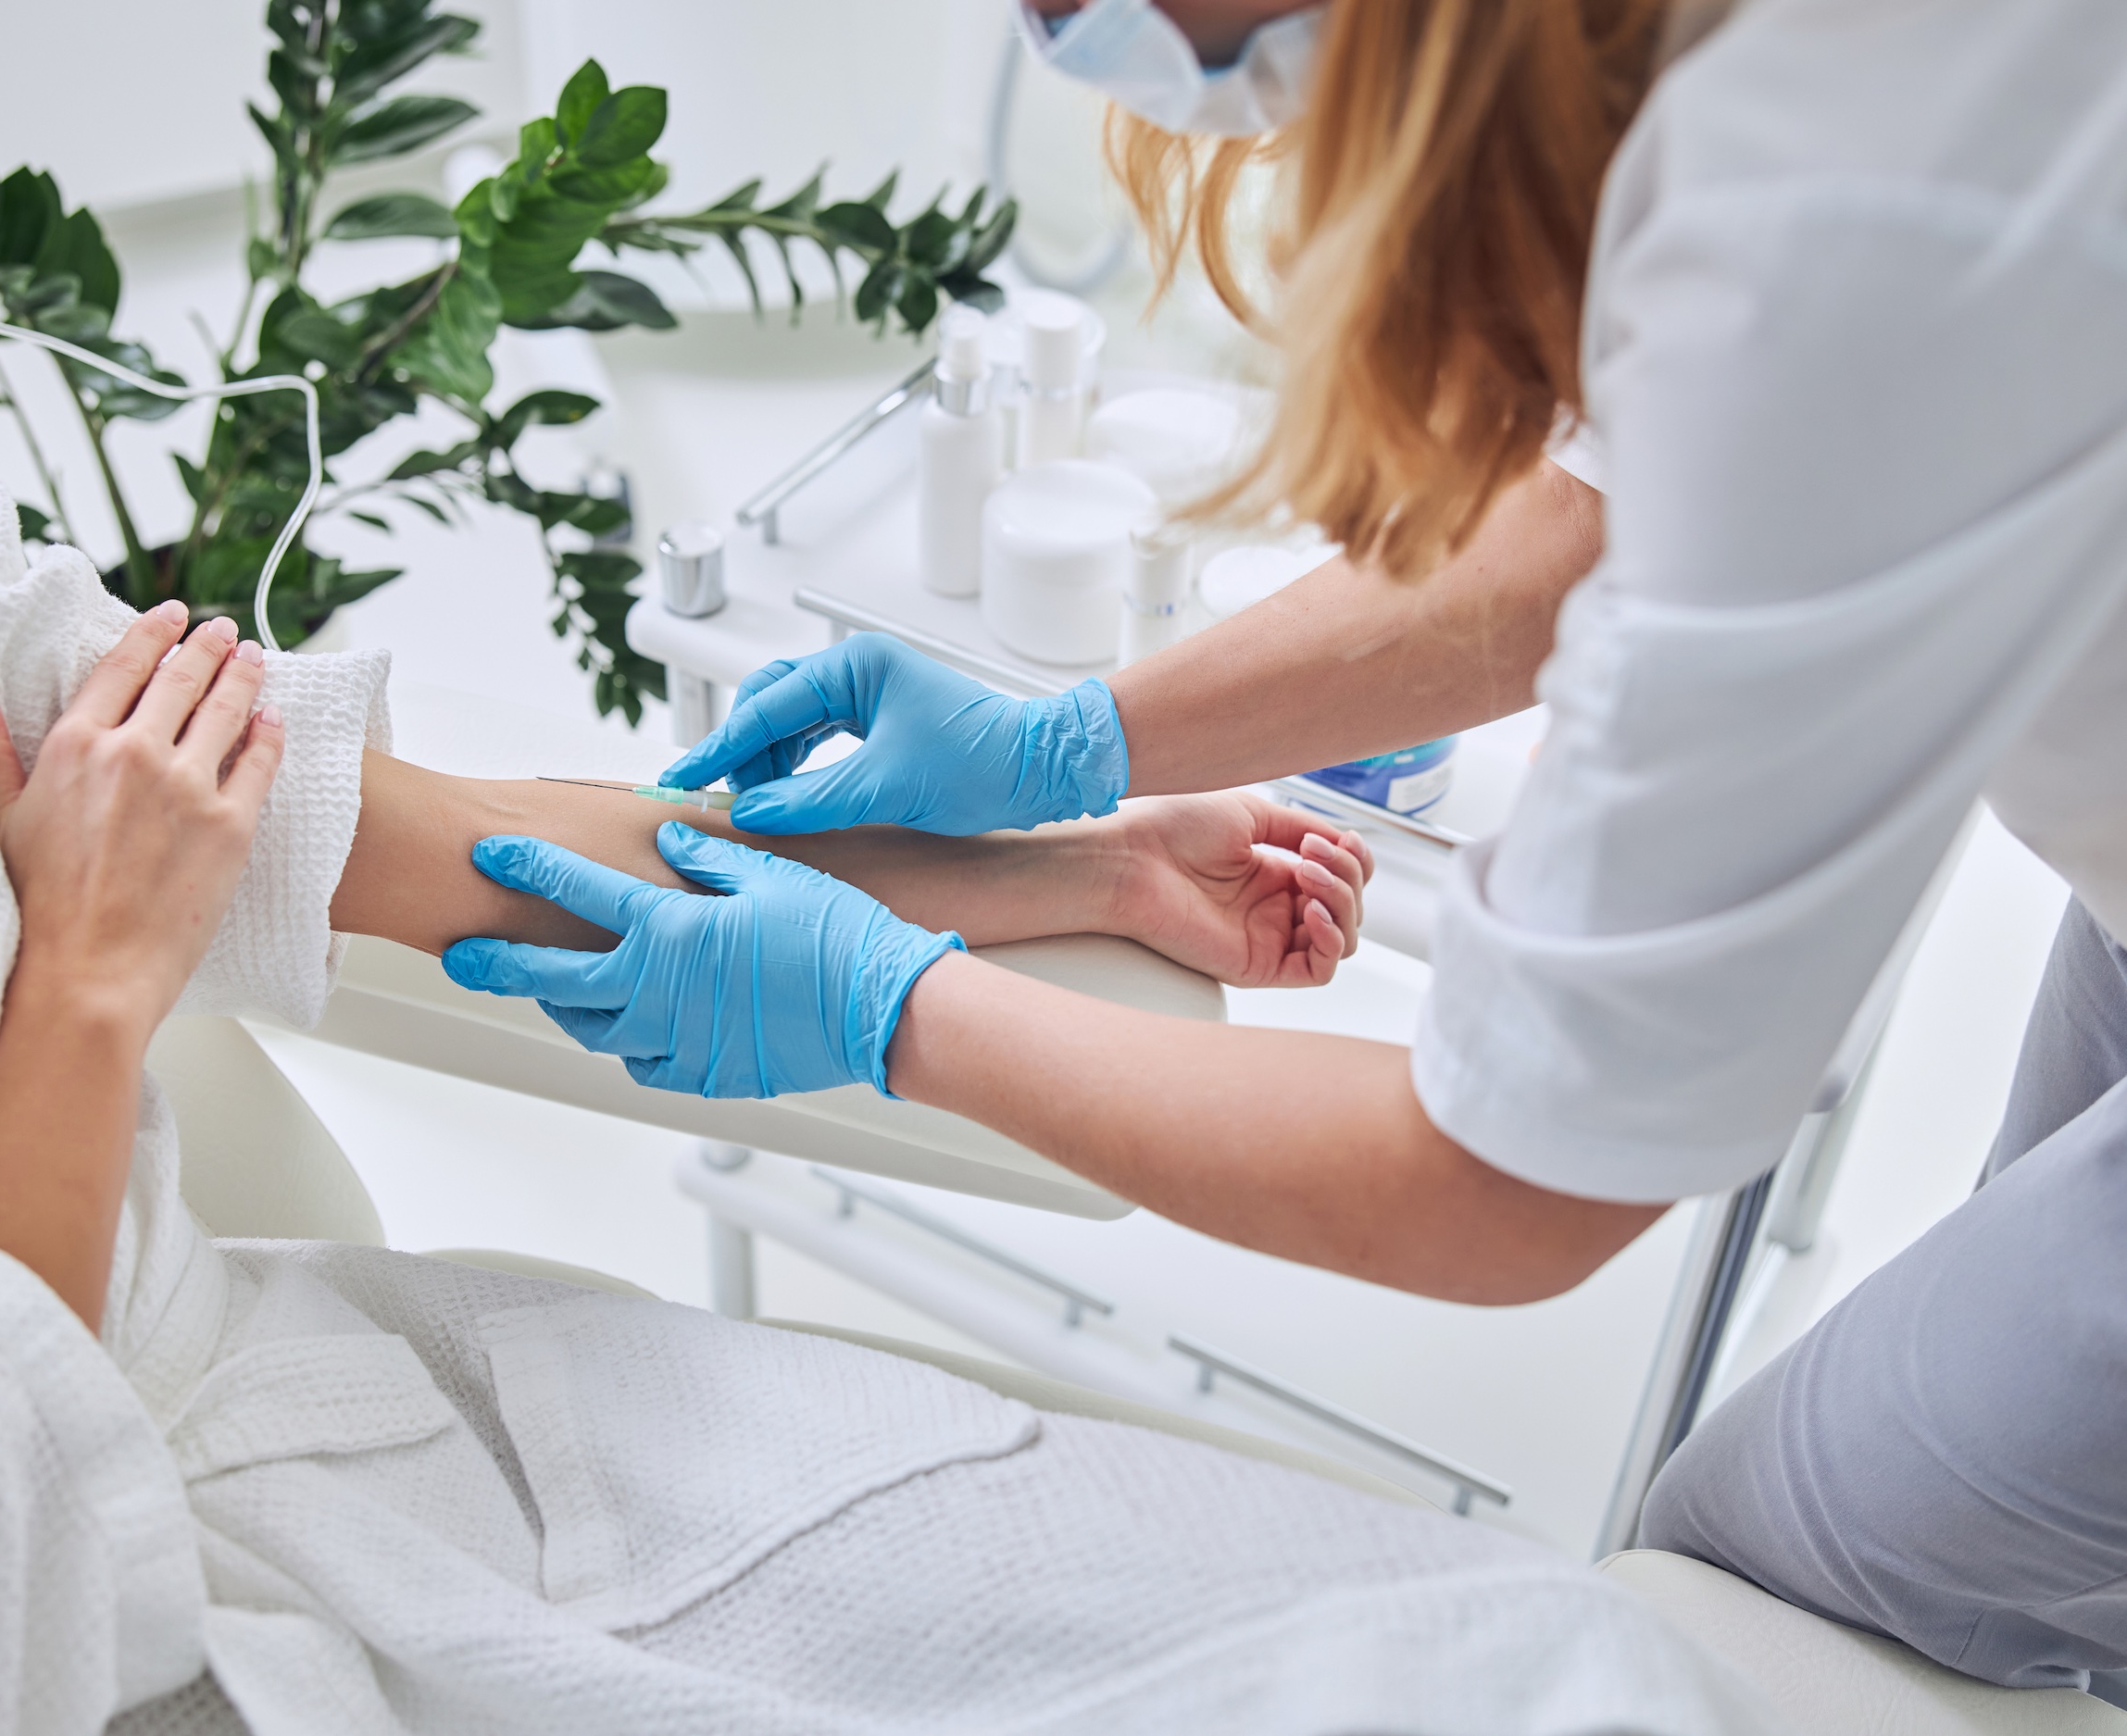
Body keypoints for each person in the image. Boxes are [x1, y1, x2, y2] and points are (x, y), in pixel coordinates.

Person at [441, 0, 2127, 1696]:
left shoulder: (1844, 242)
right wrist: (1074, 752)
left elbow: (1517, 1182)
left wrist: (896, 1009)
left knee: (1777, 1581)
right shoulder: (1774, 123)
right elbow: (1599, 518)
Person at [0, 443, 1771, 1732]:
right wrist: (82, 988)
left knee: (1532, 1675)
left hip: (385, 1432)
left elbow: (433, 839)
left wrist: (1068, 837)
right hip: (77, 1655)